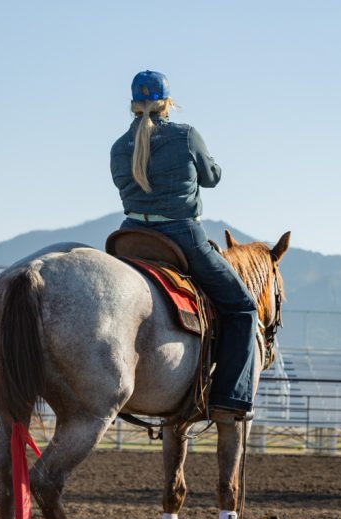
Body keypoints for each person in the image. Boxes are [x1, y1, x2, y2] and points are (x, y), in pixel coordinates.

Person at [110, 70, 257, 418]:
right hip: (181, 236)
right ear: (168, 103)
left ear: (133, 105)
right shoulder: (186, 136)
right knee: (243, 308)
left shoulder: (118, 147)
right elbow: (212, 177)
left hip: (130, 236)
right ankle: (229, 401)